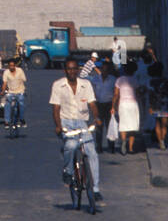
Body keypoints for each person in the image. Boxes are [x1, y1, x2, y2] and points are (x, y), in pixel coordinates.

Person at [50, 58, 102, 203]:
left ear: (78, 70)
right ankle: (68, 171)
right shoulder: (58, 85)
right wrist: (58, 125)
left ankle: (96, 188)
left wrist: (96, 118)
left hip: (81, 122)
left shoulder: (86, 85)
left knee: (91, 151)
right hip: (66, 122)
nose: (72, 71)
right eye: (69, 69)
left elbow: (92, 104)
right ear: (65, 70)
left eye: (74, 69)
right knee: (71, 146)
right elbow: (56, 109)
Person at [113, 60, 141, 154]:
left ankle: (124, 141)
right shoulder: (135, 80)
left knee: (123, 125)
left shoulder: (119, 80)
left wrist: (113, 106)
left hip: (123, 104)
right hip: (133, 104)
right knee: (133, 126)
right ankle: (130, 148)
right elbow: (138, 94)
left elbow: (116, 95)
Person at [148, 61, 168, 150]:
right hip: (165, 104)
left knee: (157, 123)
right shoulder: (166, 81)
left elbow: (150, 94)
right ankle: (163, 140)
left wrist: (150, 106)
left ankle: (160, 141)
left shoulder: (151, 82)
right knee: (164, 124)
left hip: (155, 105)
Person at [91, 60, 117, 152]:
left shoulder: (113, 79)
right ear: (101, 69)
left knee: (110, 126)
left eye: (107, 70)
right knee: (99, 126)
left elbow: (115, 93)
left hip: (109, 104)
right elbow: (92, 91)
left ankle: (111, 146)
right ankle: (99, 146)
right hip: (99, 104)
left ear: (109, 71)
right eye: (103, 69)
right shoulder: (95, 79)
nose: (104, 71)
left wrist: (114, 106)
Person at [2, 58, 27, 129]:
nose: (11, 67)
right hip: (11, 92)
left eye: (13, 66)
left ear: (15, 65)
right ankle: (7, 122)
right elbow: (4, 83)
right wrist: (2, 91)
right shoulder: (6, 72)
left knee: (21, 103)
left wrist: (23, 90)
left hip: (20, 91)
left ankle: (22, 119)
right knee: (7, 104)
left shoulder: (20, 71)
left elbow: (24, 80)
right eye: (10, 66)